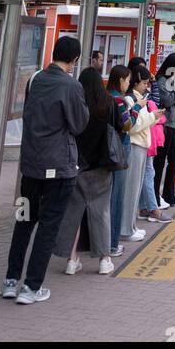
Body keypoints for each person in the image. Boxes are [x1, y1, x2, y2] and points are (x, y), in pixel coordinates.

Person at [0, 35, 89, 305]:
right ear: (74, 60)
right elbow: (79, 123)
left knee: (23, 219)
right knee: (48, 226)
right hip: (59, 170)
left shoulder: (35, 79)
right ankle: (31, 287)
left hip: (30, 168)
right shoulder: (71, 86)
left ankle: (10, 281)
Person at [54, 67, 121, 276]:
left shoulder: (77, 104)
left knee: (73, 213)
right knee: (101, 212)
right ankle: (104, 259)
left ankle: (71, 260)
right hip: (102, 166)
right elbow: (120, 127)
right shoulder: (109, 104)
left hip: (76, 166)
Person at [122, 65, 169, 234]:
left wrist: (153, 117)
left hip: (141, 146)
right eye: (143, 83)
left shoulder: (138, 98)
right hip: (135, 145)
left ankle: (131, 227)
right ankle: (127, 229)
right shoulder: (131, 100)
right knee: (132, 189)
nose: (146, 86)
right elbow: (133, 127)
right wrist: (153, 116)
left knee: (135, 188)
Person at [106, 64, 138, 250]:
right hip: (119, 149)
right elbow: (127, 125)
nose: (128, 84)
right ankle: (112, 243)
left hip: (104, 150)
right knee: (117, 197)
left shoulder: (103, 96)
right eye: (127, 80)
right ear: (120, 80)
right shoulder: (119, 100)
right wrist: (136, 110)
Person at [152, 53, 175, 208]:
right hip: (164, 126)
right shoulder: (162, 81)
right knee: (160, 162)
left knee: (174, 160)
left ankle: (168, 195)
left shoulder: (170, 82)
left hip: (171, 124)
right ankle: (156, 198)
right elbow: (167, 101)